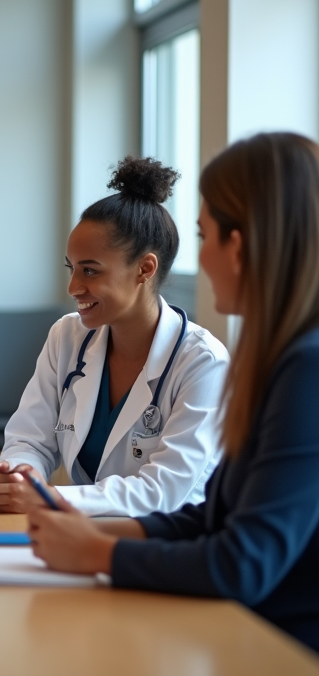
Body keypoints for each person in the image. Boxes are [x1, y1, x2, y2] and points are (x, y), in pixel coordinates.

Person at [26, 132, 319, 654]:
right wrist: (92, 530)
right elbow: (214, 518)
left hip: (278, 646)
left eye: (206, 238)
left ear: (244, 241)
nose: (200, 261)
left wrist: (99, 553)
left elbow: (241, 561)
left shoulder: (305, 368)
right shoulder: (280, 355)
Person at [0, 157, 229, 516]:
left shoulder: (203, 362)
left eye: (90, 271)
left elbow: (163, 492)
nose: (73, 287)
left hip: (165, 552)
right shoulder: (67, 335)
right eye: (71, 268)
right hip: (82, 536)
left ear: (145, 269)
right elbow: (29, 439)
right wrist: (21, 474)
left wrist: (51, 499)